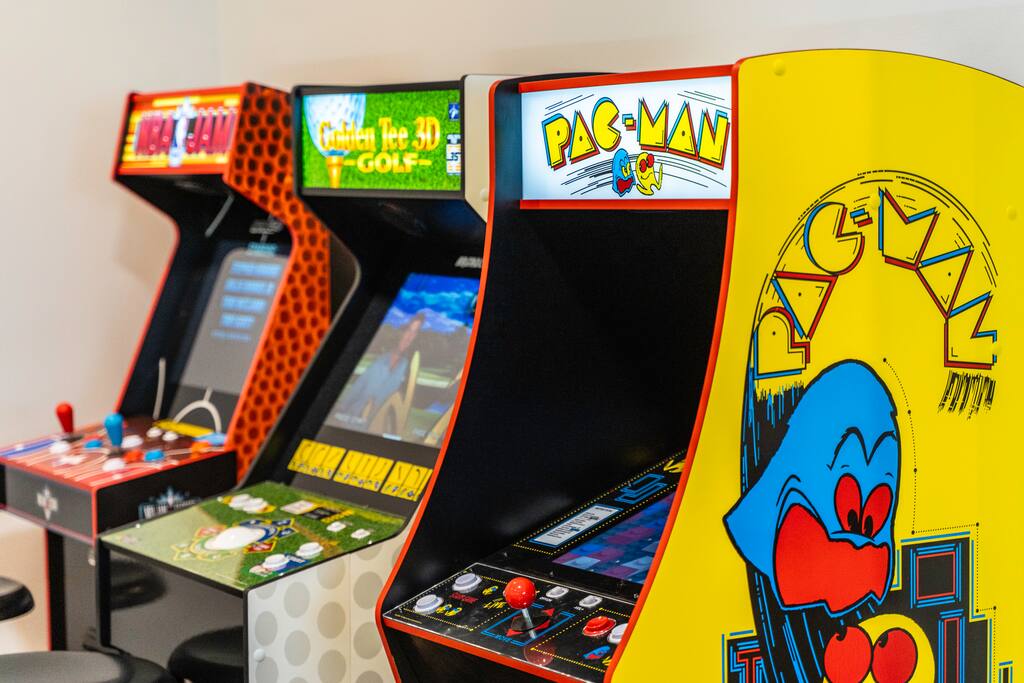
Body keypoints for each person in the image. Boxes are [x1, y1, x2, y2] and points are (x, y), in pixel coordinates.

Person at [334, 311, 426, 426]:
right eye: (408, 330)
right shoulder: (380, 360)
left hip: (376, 426)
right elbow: (358, 386)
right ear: (401, 332)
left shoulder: (409, 369)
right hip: (352, 419)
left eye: (415, 332)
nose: (409, 337)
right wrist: (340, 409)